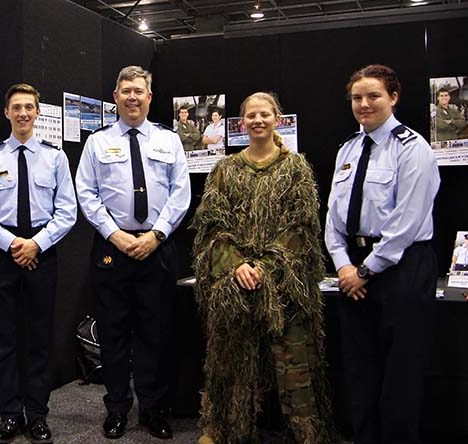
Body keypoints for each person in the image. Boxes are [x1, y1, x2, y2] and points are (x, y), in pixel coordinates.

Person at [192, 92, 339, 444]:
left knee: (295, 363)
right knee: (229, 361)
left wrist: (266, 268)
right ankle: (222, 428)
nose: (258, 121)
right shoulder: (224, 170)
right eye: (251, 116)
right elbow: (212, 226)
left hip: (286, 287)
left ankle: (306, 432)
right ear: (241, 122)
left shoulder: (295, 168)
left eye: (265, 114)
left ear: (277, 119)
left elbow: (301, 227)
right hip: (233, 286)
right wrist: (239, 265)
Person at [325, 64, 440, 444]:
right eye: (357, 97)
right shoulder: (348, 148)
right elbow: (334, 218)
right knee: (361, 372)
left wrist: (365, 271)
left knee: (400, 377)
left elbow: (406, 222)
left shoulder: (413, 148)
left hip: (402, 271)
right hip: (355, 274)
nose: (364, 104)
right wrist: (344, 266)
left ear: (393, 97)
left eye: (373, 95)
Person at [76, 65, 191, 440]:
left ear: (149, 96)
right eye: (125, 90)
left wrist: (156, 235)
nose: (132, 96)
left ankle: (153, 409)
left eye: (139, 90)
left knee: (154, 333)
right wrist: (115, 234)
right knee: (113, 334)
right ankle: (117, 409)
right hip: (113, 249)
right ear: (115, 97)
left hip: (157, 246)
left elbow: (180, 192)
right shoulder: (97, 142)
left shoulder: (168, 140)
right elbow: (87, 194)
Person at [0, 83, 77, 444]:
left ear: (38, 112)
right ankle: (10, 414)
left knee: (40, 339)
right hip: (3, 254)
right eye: (17, 107)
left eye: (29, 107)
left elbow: (67, 212)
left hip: (42, 253)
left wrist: (36, 244)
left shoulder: (55, 157)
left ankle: (38, 414)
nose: (24, 113)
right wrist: (12, 243)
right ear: (6, 113)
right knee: (4, 341)